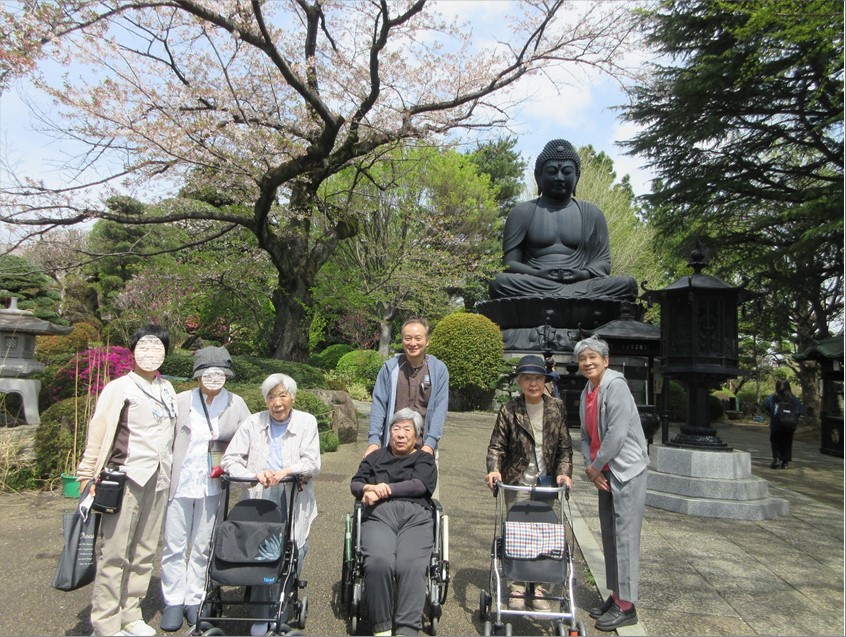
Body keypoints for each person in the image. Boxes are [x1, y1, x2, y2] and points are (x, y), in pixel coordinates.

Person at [77, 325, 177, 637]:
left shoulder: (168, 389)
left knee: (145, 551)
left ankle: (131, 613)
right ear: (134, 352)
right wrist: (86, 476)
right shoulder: (119, 388)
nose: (150, 353)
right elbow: (99, 432)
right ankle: (105, 624)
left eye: (157, 347)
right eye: (144, 347)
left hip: (159, 478)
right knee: (115, 552)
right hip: (125, 478)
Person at [159, 347, 251, 632]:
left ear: (226, 375)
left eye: (219, 373)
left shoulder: (236, 404)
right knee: (174, 544)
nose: (214, 378)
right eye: (208, 373)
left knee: (202, 545)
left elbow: (249, 440)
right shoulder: (181, 400)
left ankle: (195, 599)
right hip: (181, 482)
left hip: (213, 485)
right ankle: (173, 599)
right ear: (198, 375)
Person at [221, 373, 320, 636]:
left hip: (292, 494)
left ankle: (281, 605)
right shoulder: (252, 423)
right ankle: (262, 614)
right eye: (271, 397)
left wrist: (286, 471)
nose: (277, 402)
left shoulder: (306, 422)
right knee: (261, 553)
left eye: (283, 396)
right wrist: (256, 474)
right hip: (260, 496)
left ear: (293, 398)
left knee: (294, 549)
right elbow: (230, 460)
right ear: (265, 400)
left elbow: (312, 462)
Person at [488, 139, 637, 302]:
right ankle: (570, 302)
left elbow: (603, 262)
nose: (559, 178)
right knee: (499, 282)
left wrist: (584, 273)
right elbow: (509, 264)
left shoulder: (593, 213)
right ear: (538, 176)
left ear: (577, 177)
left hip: (581, 284)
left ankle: (556, 301)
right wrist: (537, 273)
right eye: (552, 171)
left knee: (627, 284)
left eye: (566, 172)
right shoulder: (522, 212)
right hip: (535, 282)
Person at [485, 354, 573, 612]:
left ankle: (542, 587)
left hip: (547, 482)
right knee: (516, 532)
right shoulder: (509, 409)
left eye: (537, 378)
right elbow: (496, 446)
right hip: (517, 480)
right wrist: (494, 471)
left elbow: (565, 448)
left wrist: (564, 473)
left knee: (547, 533)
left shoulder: (557, 407)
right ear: (520, 382)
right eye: (527, 379)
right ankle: (517, 587)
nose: (532, 384)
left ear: (545, 381)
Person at [575, 336, 648, 632]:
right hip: (602, 470)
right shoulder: (587, 391)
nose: (588, 362)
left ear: (606, 360)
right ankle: (617, 594)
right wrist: (590, 466)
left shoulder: (615, 385)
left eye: (593, 357)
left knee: (625, 536)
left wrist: (593, 468)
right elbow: (584, 434)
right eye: (583, 358)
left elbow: (616, 434)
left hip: (625, 470)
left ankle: (628, 606)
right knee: (609, 533)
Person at [351, 408, 438, 637]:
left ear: (417, 436)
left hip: (415, 518)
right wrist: (367, 488)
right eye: (396, 428)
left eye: (407, 429)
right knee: (378, 562)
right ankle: (381, 627)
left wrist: (385, 489)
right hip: (379, 516)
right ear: (389, 432)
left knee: (411, 565)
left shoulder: (424, 459)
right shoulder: (375, 457)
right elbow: (355, 484)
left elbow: (420, 485)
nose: (400, 434)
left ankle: (407, 630)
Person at [367, 318, 448, 499]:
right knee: (384, 495)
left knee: (425, 499)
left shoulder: (438, 369)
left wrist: (430, 445)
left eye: (418, 338)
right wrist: (374, 441)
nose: (413, 343)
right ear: (402, 340)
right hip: (393, 445)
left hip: (423, 447)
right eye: (407, 338)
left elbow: (440, 409)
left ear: (427, 340)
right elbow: (379, 404)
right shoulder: (390, 368)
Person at [764, 379, 804, 469]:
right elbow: (800, 410)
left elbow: (766, 405)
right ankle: (785, 462)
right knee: (787, 442)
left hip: (776, 424)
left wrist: (774, 414)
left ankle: (776, 459)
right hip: (790, 425)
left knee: (775, 441)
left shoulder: (773, 397)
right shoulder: (794, 399)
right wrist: (793, 419)